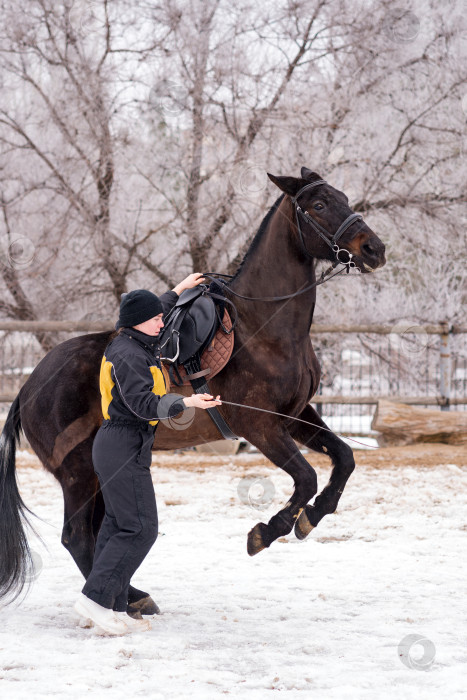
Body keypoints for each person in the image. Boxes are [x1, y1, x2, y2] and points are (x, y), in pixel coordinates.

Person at [74, 273, 221, 635]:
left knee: (118, 525)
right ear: (140, 321)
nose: (162, 321)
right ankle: (95, 600)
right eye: (156, 318)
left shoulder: (137, 342)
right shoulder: (126, 354)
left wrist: (179, 289)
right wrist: (187, 401)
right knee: (141, 528)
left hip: (128, 446)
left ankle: (113, 606)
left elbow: (157, 308)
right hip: (120, 444)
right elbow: (141, 403)